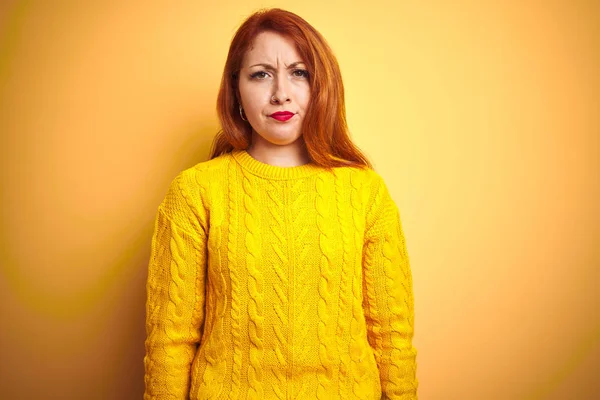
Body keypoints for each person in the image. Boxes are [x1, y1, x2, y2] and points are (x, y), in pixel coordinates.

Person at [143, 7, 418, 400]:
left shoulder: (366, 192)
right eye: (261, 74)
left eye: (298, 72)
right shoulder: (195, 192)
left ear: (320, 84)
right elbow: (170, 342)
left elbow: (391, 336)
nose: (281, 93)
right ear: (235, 87)